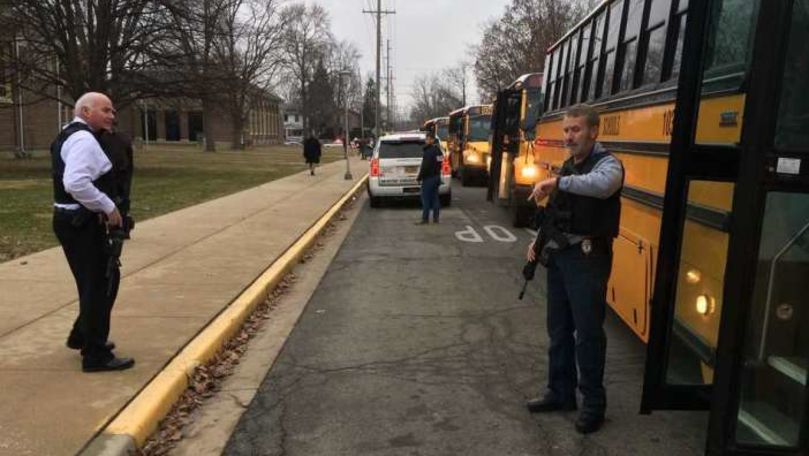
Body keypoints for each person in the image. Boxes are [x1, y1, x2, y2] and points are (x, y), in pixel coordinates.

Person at [524, 104, 623, 434]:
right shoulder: (567, 166)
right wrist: (537, 245)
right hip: (561, 255)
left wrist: (558, 182)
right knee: (559, 331)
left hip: (588, 257)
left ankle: (593, 404)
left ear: (593, 132)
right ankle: (560, 392)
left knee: (588, 334)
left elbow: (601, 186)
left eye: (576, 130)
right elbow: (554, 214)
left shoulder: (608, 164)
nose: (569, 136)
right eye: (566, 130)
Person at [51, 92, 135, 372]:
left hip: (71, 221)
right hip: (82, 223)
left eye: (112, 110)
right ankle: (95, 354)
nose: (112, 115)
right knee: (101, 284)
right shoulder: (84, 140)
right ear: (86, 111)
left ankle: (85, 335)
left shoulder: (69, 133)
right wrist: (109, 207)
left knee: (95, 283)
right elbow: (75, 182)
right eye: (106, 110)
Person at [415, 131, 443, 224]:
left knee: (426, 198)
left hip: (428, 178)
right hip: (436, 177)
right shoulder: (438, 151)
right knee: (435, 198)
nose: (426, 141)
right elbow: (440, 163)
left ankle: (425, 219)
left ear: (432, 140)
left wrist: (419, 177)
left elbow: (425, 167)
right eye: (426, 139)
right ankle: (436, 218)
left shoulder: (428, 152)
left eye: (427, 139)